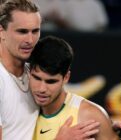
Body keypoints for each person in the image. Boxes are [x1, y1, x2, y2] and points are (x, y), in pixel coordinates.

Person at [0, 0, 101, 140]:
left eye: (35, 31)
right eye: (22, 31)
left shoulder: (33, 74)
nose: (30, 39)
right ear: (1, 31)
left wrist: (107, 128)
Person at [29, 35, 121, 140]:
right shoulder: (18, 105)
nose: (41, 89)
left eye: (51, 81)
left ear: (66, 77)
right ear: (28, 71)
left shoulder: (91, 116)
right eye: (36, 78)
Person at [34, 0, 109, 32]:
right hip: (71, 36)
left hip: (93, 39)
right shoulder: (68, 3)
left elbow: (101, 25)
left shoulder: (96, 4)